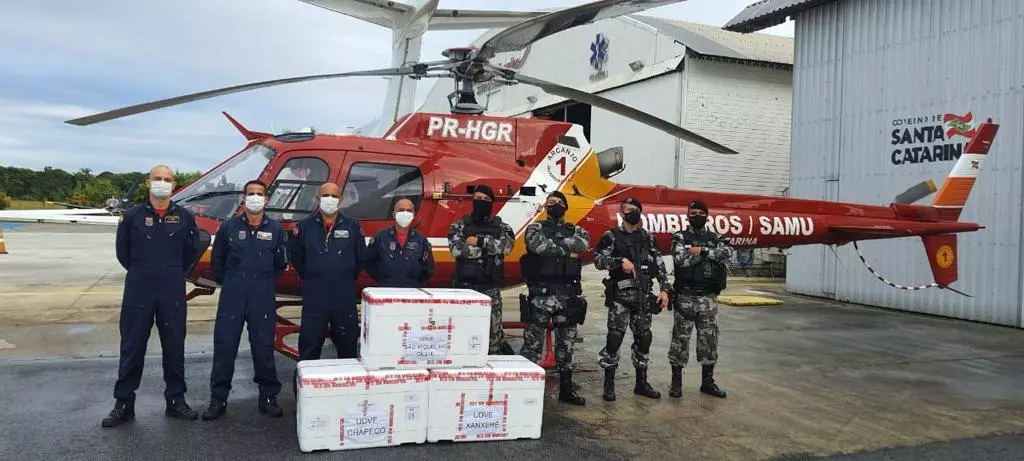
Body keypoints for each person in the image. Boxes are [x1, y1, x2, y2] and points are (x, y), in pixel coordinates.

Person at [103, 164, 201, 428]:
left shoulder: (184, 217)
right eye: (157, 178)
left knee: (174, 346)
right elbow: (123, 253)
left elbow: (192, 252)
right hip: (139, 289)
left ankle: (176, 401)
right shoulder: (132, 216)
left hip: (172, 288)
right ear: (148, 183)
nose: (162, 183)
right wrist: (144, 271)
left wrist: (170, 271)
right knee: (132, 347)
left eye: (167, 179)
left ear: (174, 184)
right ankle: (123, 403)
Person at [202, 180, 288, 421]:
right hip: (233, 293)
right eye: (250, 193)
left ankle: (268, 397)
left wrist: (263, 281)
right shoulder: (228, 228)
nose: (255, 198)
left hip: (262, 293)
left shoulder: (276, 230)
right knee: (225, 346)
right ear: (244, 197)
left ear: (267, 199)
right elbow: (217, 263)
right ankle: (218, 399)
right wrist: (232, 281)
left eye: (259, 194)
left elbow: (281, 264)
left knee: (263, 348)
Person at [593, 197, 670, 401]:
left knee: (644, 339)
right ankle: (609, 384)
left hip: (643, 298)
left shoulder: (647, 237)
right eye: (628, 210)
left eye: (636, 209)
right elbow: (598, 260)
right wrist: (619, 261)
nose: (632, 213)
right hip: (620, 298)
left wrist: (665, 290)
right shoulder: (611, 236)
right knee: (614, 339)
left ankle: (641, 383)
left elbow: (660, 264)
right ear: (621, 213)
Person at [520, 191, 588, 405]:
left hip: (567, 296)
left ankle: (566, 390)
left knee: (566, 345)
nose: (555, 206)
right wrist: (567, 252)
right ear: (545, 207)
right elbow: (537, 246)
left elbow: (583, 245)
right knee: (532, 344)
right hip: (541, 294)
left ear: (566, 207)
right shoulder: (535, 228)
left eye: (559, 203)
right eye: (551, 203)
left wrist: (556, 247)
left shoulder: (578, 230)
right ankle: (524, 389)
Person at [289, 182, 366, 363]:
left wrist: (342, 276)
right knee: (310, 345)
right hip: (315, 295)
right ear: (317, 199)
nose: (329, 200)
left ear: (341, 200)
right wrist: (316, 274)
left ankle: (347, 386)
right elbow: (297, 258)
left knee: (347, 345)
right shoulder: (304, 227)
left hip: (344, 295)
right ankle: (307, 388)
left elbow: (360, 258)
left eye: (334, 196)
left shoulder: (352, 226)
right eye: (325, 196)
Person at [667, 200, 733, 398]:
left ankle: (707, 382)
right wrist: (711, 254)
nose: (696, 215)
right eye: (692, 212)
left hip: (708, 298)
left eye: (700, 212)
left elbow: (728, 253)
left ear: (707, 215)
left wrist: (702, 251)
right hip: (685, 297)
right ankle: (676, 383)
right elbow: (681, 260)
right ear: (688, 215)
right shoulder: (679, 236)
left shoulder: (715, 237)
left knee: (709, 340)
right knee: (680, 341)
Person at [448, 185, 515, 355]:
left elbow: (507, 247)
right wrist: (491, 250)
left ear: (492, 203)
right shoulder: (458, 226)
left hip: (490, 289)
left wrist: (478, 242)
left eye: (485, 200)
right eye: (478, 199)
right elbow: (457, 250)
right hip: (464, 289)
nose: (481, 202)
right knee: (461, 334)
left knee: (494, 340)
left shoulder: (503, 228)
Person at [365, 198, 435, 288]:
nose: (405, 213)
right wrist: (383, 279)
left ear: (413, 215)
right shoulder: (380, 237)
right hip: (385, 289)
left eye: (409, 211)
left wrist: (414, 282)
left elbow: (428, 268)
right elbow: (369, 263)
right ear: (394, 214)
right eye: (401, 210)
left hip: (412, 290)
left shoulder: (421, 239)